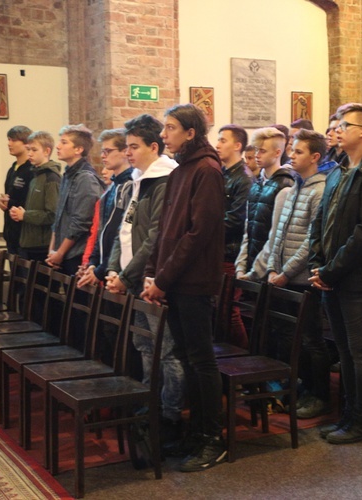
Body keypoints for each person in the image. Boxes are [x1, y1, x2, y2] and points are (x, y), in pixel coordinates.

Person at [142, 103, 226, 472]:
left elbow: (198, 233)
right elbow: (163, 229)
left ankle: (213, 439)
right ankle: (195, 432)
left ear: (191, 133)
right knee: (189, 361)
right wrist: (151, 273)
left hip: (193, 282)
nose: (164, 134)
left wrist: (163, 278)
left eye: (171, 128)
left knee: (201, 361)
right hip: (174, 281)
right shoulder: (182, 170)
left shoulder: (207, 170)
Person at [310, 103, 362, 444]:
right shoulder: (338, 171)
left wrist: (331, 271)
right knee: (343, 351)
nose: (337, 129)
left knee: (360, 352)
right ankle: (347, 414)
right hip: (333, 275)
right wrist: (319, 261)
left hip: (358, 280)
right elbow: (322, 220)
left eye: (345, 125)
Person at [105, 113, 180, 443]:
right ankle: (151, 401)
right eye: (126, 146)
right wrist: (111, 269)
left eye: (134, 147)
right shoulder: (138, 178)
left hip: (150, 280)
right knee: (144, 345)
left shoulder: (165, 180)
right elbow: (123, 227)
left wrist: (126, 274)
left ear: (154, 146)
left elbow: (155, 238)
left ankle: (171, 414)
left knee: (167, 351)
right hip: (131, 278)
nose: (128, 152)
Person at [266, 129, 329, 419]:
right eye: (292, 150)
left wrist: (287, 272)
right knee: (290, 337)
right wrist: (271, 267)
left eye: (299, 151)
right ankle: (302, 387)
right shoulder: (292, 189)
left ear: (315, 157)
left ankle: (320, 394)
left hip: (303, 279)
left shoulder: (320, 190)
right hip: (283, 276)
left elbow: (311, 241)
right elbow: (277, 233)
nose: (292, 155)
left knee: (311, 340)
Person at [235, 127, 295, 281]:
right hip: (251, 265)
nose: (257, 155)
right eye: (256, 150)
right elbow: (248, 229)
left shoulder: (285, 185)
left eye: (262, 151)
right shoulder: (256, 184)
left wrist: (256, 271)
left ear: (277, 153)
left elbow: (276, 236)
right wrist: (241, 265)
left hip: (269, 270)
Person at [77, 128, 134, 287]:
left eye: (108, 151)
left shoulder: (130, 186)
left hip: (117, 270)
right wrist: (93, 262)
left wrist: (103, 268)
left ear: (124, 152)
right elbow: (102, 230)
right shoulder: (112, 187)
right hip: (103, 266)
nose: (103, 155)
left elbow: (120, 232)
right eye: (102, 151)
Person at [46, 124, 103, 276]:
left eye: (64, 142)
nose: (58, 146)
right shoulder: (68, 174)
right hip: (62, 252)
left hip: (75, 253)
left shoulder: (85, 178)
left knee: (78, 299)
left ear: (78, 149)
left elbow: (81, 222)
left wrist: (60, 252)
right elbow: (58, 217)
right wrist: (52, 250)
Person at [216, 124, 253, 348]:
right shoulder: (221, 174)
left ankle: (243, 362)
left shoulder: (244, 179)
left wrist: (207, 230)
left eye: (223, 140)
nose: (217, 145)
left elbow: (237, 219)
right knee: (218, 310)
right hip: (216, 251)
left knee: (229, 310)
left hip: (231, 252)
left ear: (237, 145)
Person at [9, 131, 61, 263]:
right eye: (28, 149)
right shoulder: (35, 175)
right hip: (29, 242)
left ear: (46, 151)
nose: (29, 154)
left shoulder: (51, 177)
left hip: (42, 245)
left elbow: (52, 215)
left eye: (34, 150)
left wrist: (25, 215)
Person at [0, 125, 34, 254]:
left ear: (26, 144)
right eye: (8, 140)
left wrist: (10, 203)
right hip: (10, 231)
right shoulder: (13, 169)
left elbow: (31, 201)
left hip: (24, 233)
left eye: (13, 140)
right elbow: (9, 195)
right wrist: (1, 201)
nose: (9, 144)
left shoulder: (32, 170)